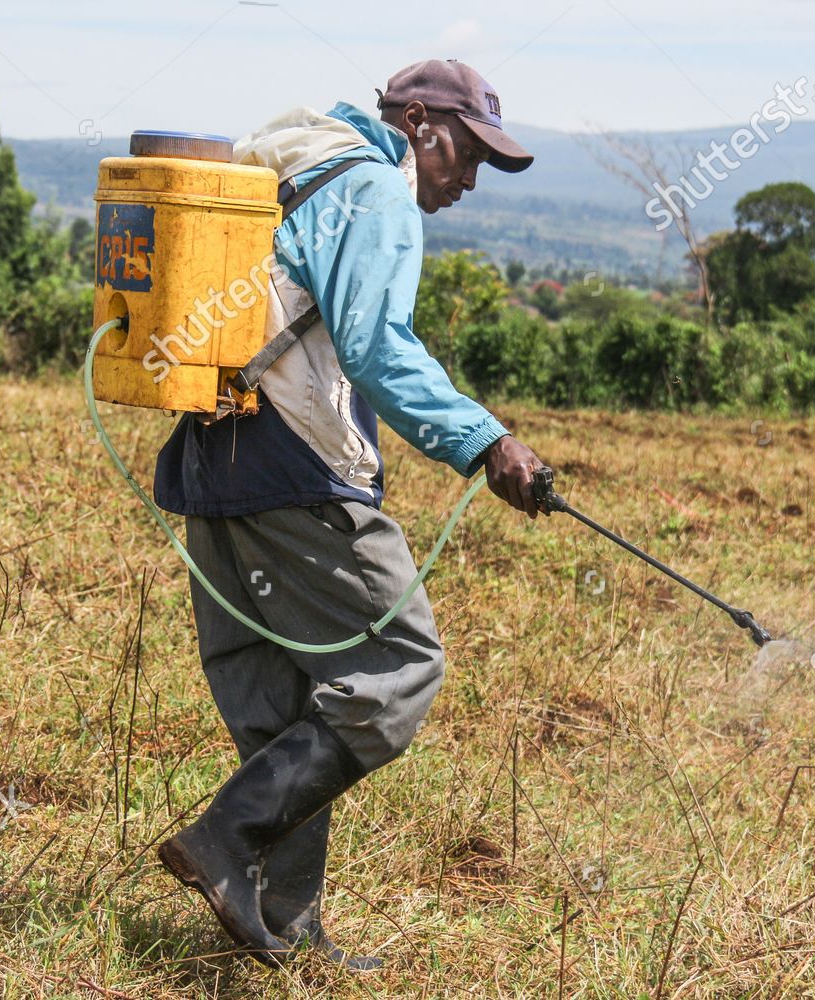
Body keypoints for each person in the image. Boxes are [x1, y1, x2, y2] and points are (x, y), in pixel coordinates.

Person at [151, 58, 547, 969]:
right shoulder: (375, 191)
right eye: (463, 152)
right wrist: (487, 443)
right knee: (402, 664)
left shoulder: (299, 164)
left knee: (283, 705)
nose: (467, 178)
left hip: (214, 457)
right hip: (294, 465)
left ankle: (289, 923)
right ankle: (223, 840)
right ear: (416, 121)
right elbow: (374, 344)